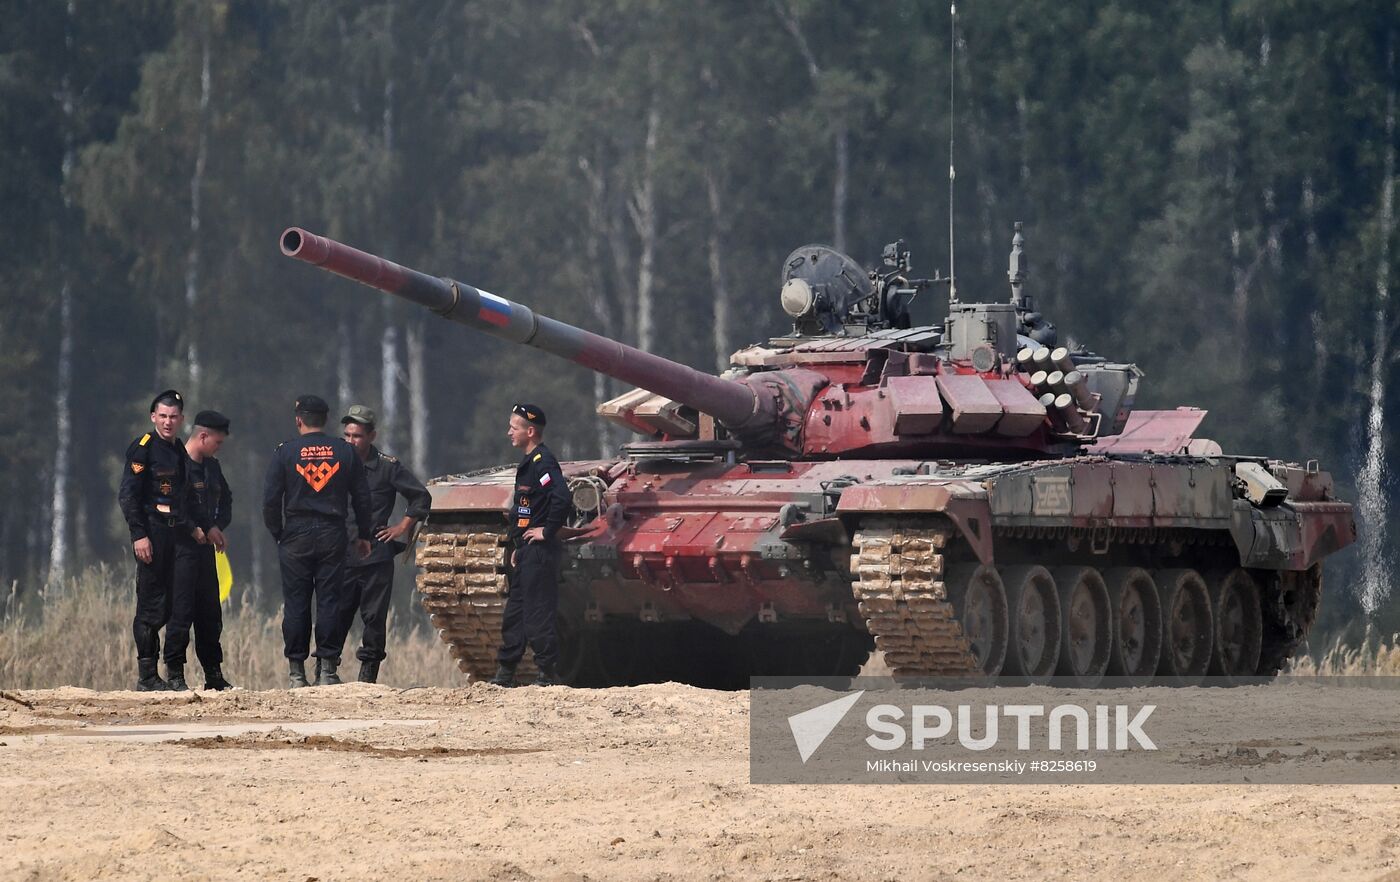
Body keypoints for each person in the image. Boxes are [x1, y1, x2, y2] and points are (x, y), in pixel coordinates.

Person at [262, 395, 372, 688]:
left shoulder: (285, 453)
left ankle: (296, 673)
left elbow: (271, 501)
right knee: (330, 601)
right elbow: (362, 498)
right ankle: (327, 670)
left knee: (296, 603)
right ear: (326, 419)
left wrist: (278, 533)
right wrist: (363, 534)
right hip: (332, 533)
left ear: (299, 419)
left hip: (295, 534)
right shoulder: (344, 452)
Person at [117, 389, 220, 691]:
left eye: (173, 417)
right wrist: (139, 535)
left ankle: (173, 673)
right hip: (152, 534)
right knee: (151, 606)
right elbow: (129, 496)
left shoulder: (179, 452)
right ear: (153, 417)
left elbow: (187, 498)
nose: (168, 422)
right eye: (162, 416)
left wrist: (203, 526)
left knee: (177, 606)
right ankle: (147, 676)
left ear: (182, 419)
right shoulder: (143, 448)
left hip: (179, 536)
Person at [338, 405, 432, 684]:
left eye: (356, 436)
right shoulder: (335, 464)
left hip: (375, 556)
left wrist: (402, 527)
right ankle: (326, 672)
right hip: (341, 552)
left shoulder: (387, 467)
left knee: (374, 618)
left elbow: (420, 498)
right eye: (347, 435)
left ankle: (367, 677)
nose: (350, 441)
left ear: (371, 436)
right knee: (336, 615)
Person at [491, 403, 571, 687]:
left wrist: (547, 532)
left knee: (538, 613)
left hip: (540, 551)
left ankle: (546, 673)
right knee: (515, 613)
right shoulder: (529, 463)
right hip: (526, 550)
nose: (508, 432)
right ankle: (505, 672)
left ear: (531, 430)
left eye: (514, 427)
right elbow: (526, 508)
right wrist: (516, 546)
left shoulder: (542, 462)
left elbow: (561, 497)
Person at [164, 411, 235, 692]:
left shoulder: (212, 468)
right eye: (216, 442)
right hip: (181, 549)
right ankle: (175, 673)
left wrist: (217, 526)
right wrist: (192, 528)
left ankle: (213, 673)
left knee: (210, 613)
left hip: (206, 552)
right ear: (202, 436)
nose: (218, 448)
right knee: (181, 612)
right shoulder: (175, 464)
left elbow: (226, 501)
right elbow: (168, 505)